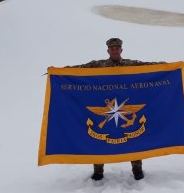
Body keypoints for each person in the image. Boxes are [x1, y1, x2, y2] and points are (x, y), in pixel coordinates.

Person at [68, 37, 165, 181]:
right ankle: (98, 172)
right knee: (99, 140)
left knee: (133, 139)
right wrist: (58, 71)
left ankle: (137, 170)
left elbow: (148, 67)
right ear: (108, 50)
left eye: (117, 48)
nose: (114, 50)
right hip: (104, 108)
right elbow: (79, 69)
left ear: (121, 50)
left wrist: (169, 66)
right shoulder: (97, 65)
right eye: (112, 48)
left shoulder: (130, 64)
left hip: (126, 107)